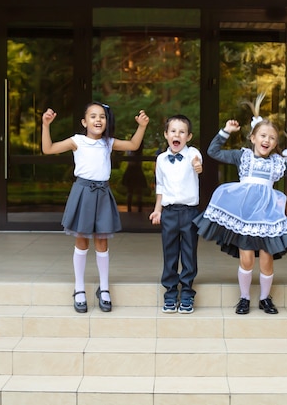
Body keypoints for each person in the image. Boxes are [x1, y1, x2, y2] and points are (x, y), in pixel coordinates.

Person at [193, 100, 287, 315]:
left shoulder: (278, 163)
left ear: (275, 144)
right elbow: (213, 152)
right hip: (245, 216)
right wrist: (225, 131)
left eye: (272, 138)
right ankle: (244, 297)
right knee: (246, 259)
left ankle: (265, 298)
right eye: (263, 135)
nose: (267, 140)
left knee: (267, 260)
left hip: (267, 217)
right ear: (253, 138)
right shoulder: (242, 156)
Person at [41, 102, 150, 313]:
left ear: (106, 122)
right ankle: (79, 288)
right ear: (84, 122)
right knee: (81, 240)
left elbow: (133, 145)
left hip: (102, 193)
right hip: (82, 192)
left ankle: (105, 287)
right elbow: (48, 149)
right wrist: (46, 125)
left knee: (102, 242)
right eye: (92, 116)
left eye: (102, 116)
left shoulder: (108, 143)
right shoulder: (77, 141)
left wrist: (142, 126)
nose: (98, 120)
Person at [149, 115, 203, 314]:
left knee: (189, 253)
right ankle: (170, 293)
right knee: (170, 253)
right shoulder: (161, 159)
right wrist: (158, 209)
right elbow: (160, 186)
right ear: (166, 135)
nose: (177, 135)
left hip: (189, 213)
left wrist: (198, 166)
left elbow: (198, 163)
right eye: (173, 131)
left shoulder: (193, 153)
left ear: (188, 136)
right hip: (169, 212)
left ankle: (187, 293)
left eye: (182, 132)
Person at [122, 141, 148, 212]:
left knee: (132, 191)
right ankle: (134, 209)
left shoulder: (134, 151)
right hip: (134, 171)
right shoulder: (134, 151)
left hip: (133, 170)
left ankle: (132, 209)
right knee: (135, 192)